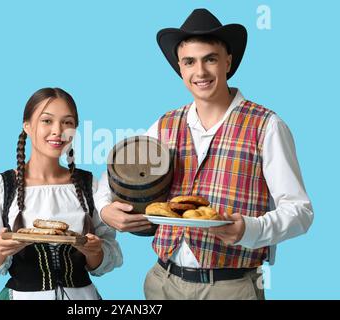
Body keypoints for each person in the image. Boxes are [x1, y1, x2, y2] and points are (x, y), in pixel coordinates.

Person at [94, 8, 314, 300]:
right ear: (180, 69)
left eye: (210, 59)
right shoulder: (164, 125)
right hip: (162, 282)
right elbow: (109, 182)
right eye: (189, 62)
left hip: (232, 287)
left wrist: (249, 229)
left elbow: (300, 212)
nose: (200, 72)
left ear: (227, 61)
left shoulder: (266, 125)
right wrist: (106, 211)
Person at [0, 87, 122, 300]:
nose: (58, 130)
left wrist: (94, 252)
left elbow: (104, 259)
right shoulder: (2, 186)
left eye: (67, 122)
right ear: (27, 126)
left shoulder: (89, 185)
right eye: (47, 121)